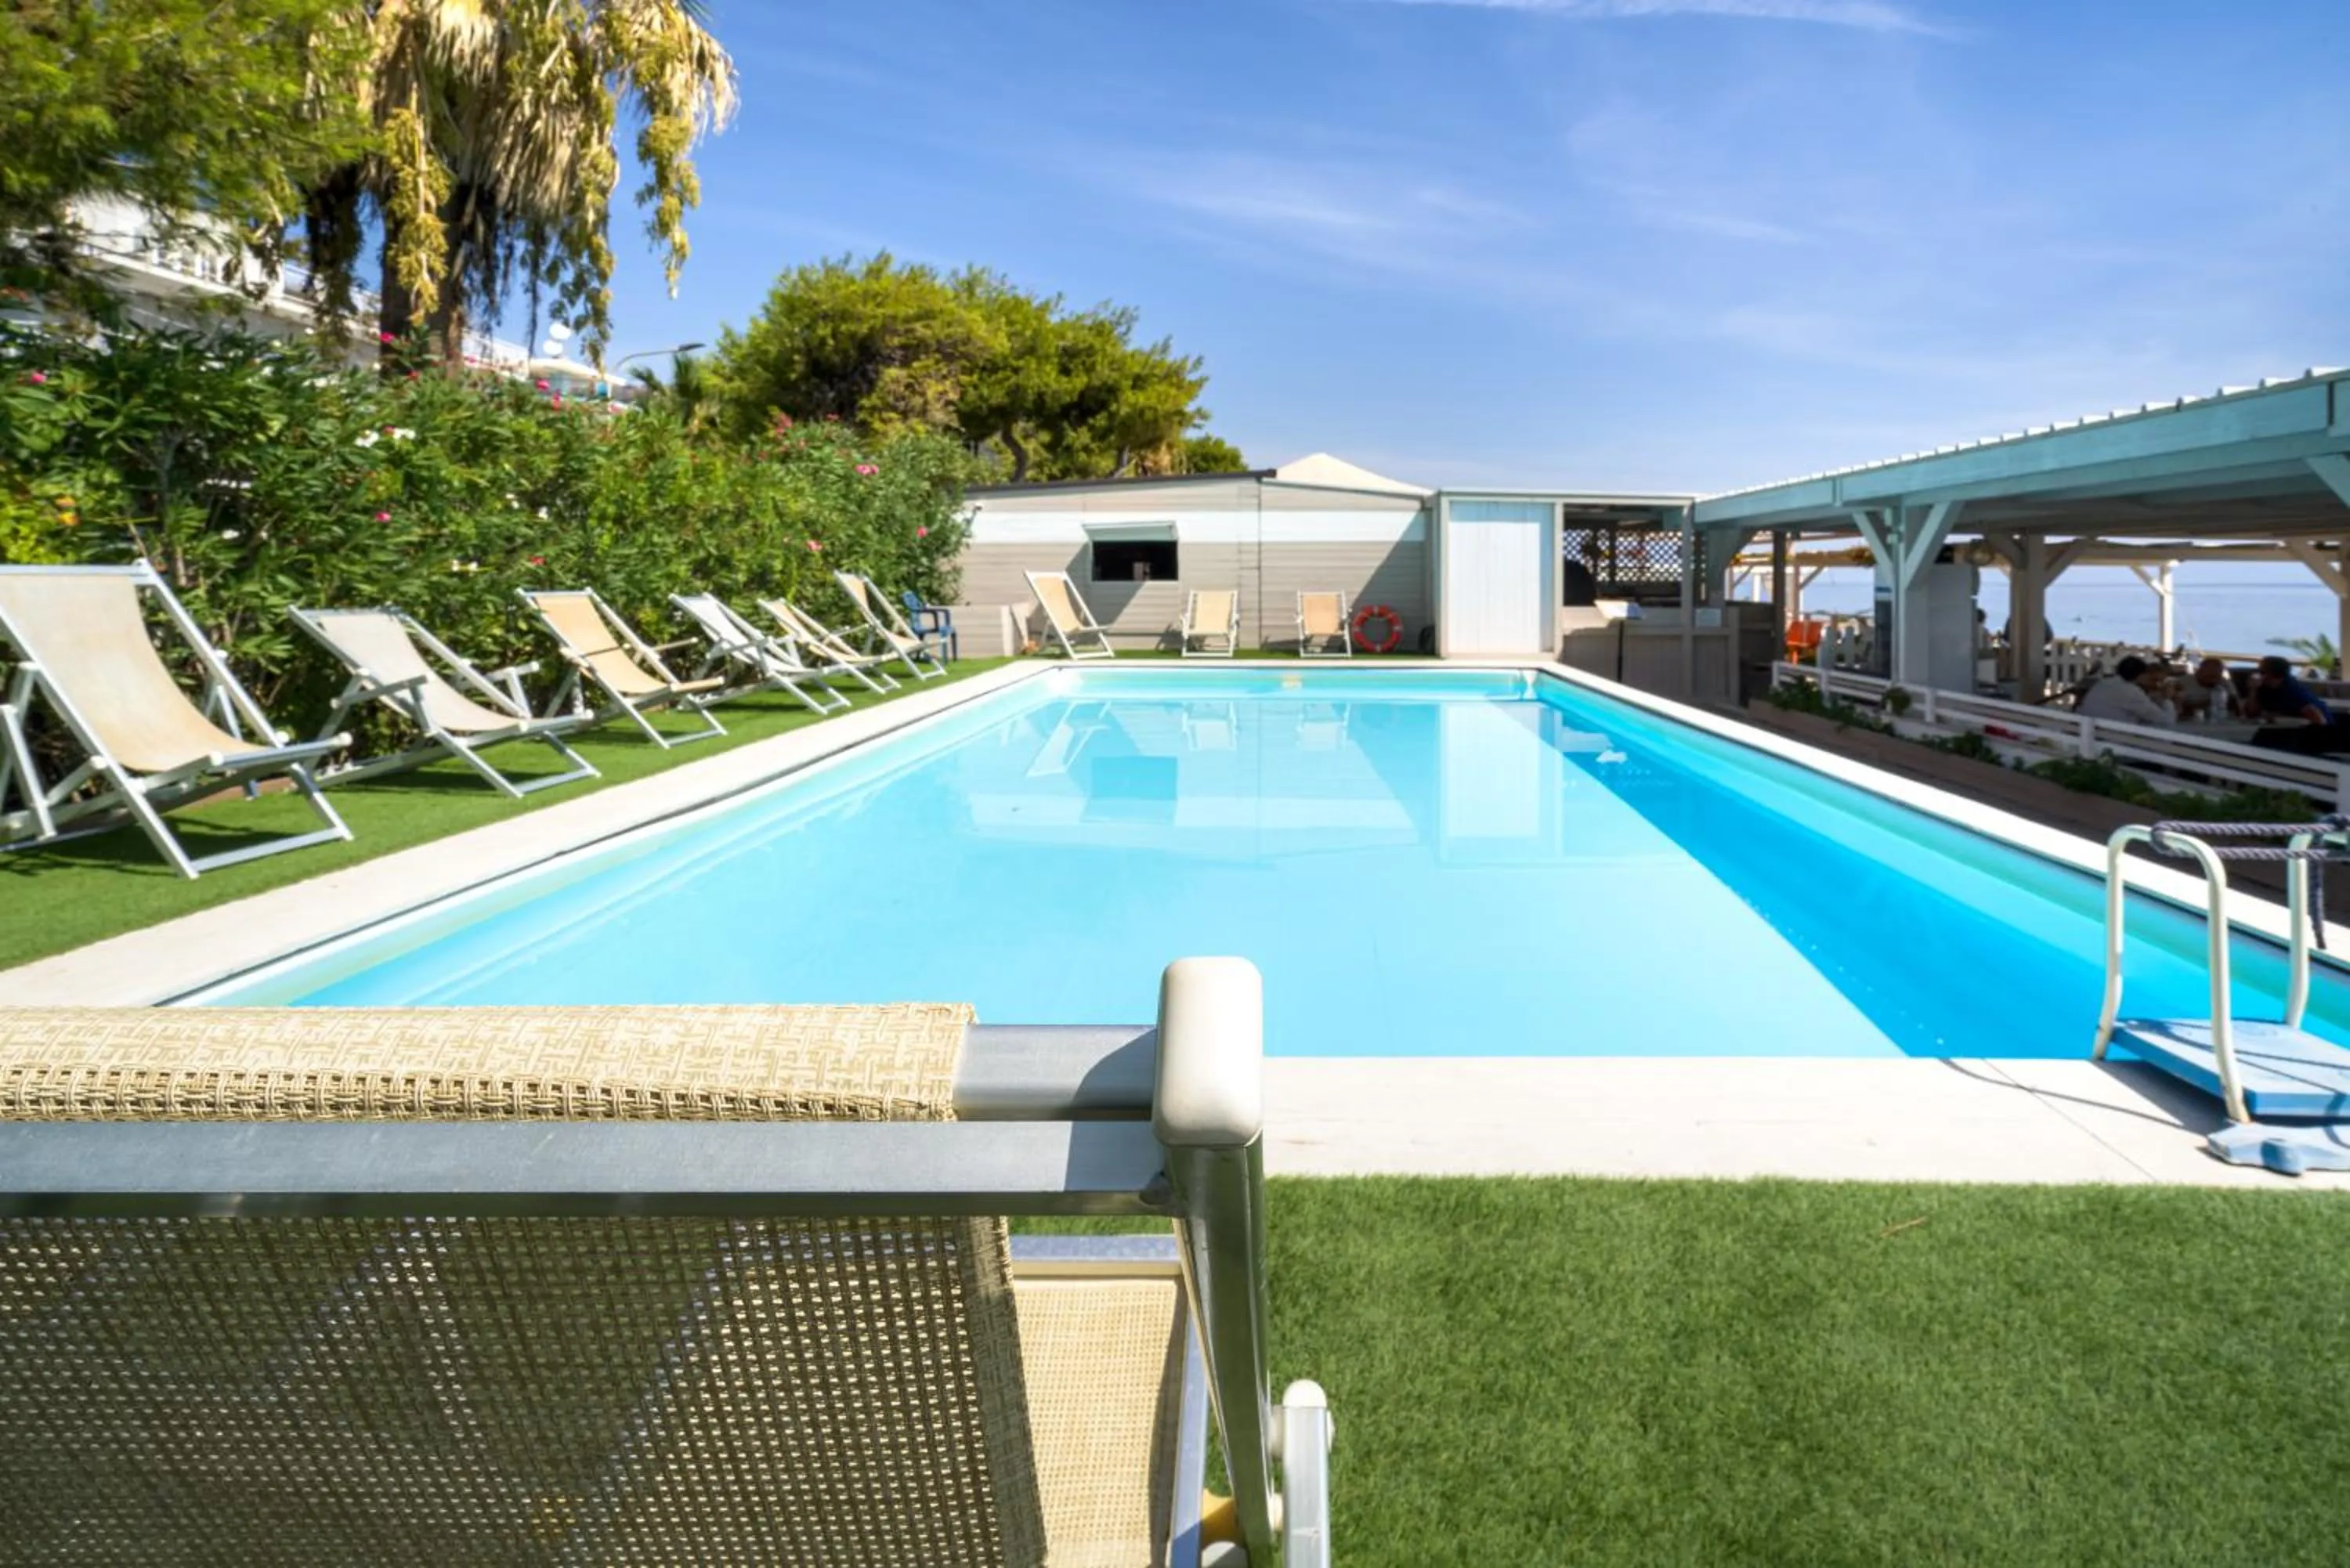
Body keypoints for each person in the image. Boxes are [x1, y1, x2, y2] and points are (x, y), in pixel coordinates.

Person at [2074, 655, 2175, 726]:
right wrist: (2168, 699)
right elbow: (2166, 721)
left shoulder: (2103, 683)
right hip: (2113, 742)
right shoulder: (2132, 692)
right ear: (2140, 675)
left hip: (2089, 731)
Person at [2172, 656, 2242, 722]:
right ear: (2200, 671)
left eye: (2217, 676)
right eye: (2211, 676)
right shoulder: (2182, 682)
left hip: (2219, 721)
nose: (2214, 680)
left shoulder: (2225, 684)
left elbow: (2236, 707)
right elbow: (2175, 706)